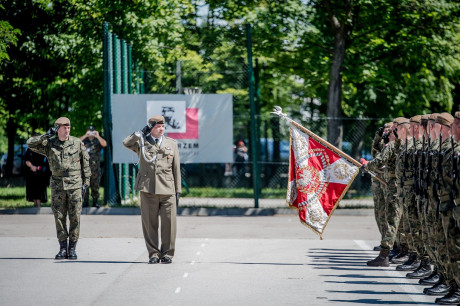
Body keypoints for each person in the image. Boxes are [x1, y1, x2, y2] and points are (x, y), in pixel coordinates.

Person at [27, 117, 91, 260]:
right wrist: (46, 135)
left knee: (75, 216)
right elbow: (30, 144)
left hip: (75, 184)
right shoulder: (50, 143)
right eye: (64, 127)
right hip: (57, 184)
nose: (67, 130)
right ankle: (62, 248)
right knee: (59, 216)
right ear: (57, 129)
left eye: (68, 127)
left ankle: (72, 248)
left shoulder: (77, 143)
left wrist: (86, 182)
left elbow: (85, 164)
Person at [123, 115, 181, 264]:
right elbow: (126, 143)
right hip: (148, 188)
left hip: (168, 189)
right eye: (157, 127)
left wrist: (178, 190)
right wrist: (139, 133)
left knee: (169, 223)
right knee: (150, 223)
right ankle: (153, 254)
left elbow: (176, 168)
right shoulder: (142, 142)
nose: (161, 129)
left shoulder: (171, 143)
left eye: (162, 126)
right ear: (150, 128)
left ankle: (168, 253)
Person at [80, 126, 107, 208]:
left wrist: (97, 136)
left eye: (92, 131)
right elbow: (76, 142)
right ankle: (86, 201)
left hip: (95, 169)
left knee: (95, 186)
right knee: (85, 185)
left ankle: (95, 201)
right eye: (89, 131)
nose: (91, 132)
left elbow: (104, 144)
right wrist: (85, 135)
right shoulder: (84, 141)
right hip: (85, 169)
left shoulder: (97, 141)